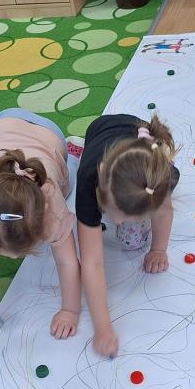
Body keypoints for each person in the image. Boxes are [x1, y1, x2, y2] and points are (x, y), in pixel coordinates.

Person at [0, 108, 81, 338]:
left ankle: (73, 155)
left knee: (66, 183)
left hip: (51, 137)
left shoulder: (52, 206)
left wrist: (70, 311)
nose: (12, 257)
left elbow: (67, 261)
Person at [75, 113, 179, 358]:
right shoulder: (89, 180)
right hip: (98, 130)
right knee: (126, 233)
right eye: (115, 213)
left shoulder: (160, 178)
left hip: (137, 136)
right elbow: (92, 262)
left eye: (127, 217)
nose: (118, 222)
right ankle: (75, 151)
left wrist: (158, 249)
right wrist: (102, 328)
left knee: (131, 239)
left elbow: (164, 212)